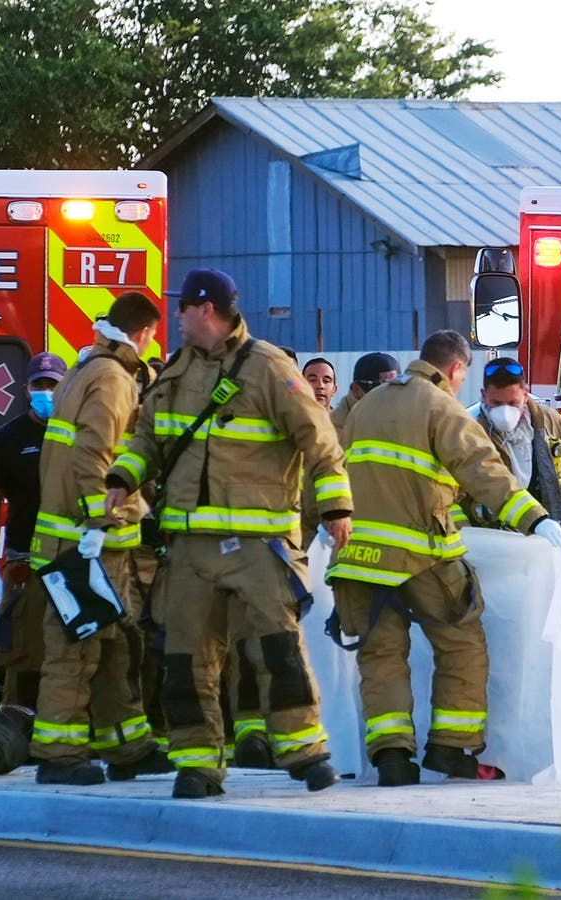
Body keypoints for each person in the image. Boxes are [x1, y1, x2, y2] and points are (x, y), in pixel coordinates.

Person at [104, 268, 351, 799]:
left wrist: (335, 507)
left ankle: (306, 752)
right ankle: (198, 765)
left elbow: (320, 440)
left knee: (277, 650)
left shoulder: (268, 367)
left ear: (206, 310)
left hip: (259, 547)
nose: (176, 318)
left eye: (183, 309)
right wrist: (123, 476)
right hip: (190, 549)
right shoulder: (174, 372)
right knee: (186, 659)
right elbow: (147, 437)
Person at [326, 330, 561, 787]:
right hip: (421, 553)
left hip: (356, 557)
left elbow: (327, 467)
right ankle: (449, 746)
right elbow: (484, 472)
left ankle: (393, 758)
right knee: (462, 641)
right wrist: (537, 520)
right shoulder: (441, 406)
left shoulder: (366, 405)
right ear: (457, 370)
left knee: (381, 656)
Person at [28, 292, 171, 785]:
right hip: (87, 544)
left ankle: (128, 745)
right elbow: (94, 457)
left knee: (115, 645)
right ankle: (57, 752)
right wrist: (99, 522)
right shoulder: (112, 378)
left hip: (85, 542)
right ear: (146, 333)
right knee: (79, 647)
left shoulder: (85, 368)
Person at [0, 351, 67, 709]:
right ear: (26, 389)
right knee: (22, 653)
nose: (46, 391)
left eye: (53, 384)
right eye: (38, 384)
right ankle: (17, 725)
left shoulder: (79, 434)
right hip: (25, 562)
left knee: (71, 651)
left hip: (71, 558)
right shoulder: (6, 439)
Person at [467, 356, 561, 525]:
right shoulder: (469, 431)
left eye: (513, 402)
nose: (505, 412)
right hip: (491, 537)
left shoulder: (552, 425)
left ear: (526, 394)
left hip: (545, 536)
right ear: (484, 396)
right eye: (496, 402)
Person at [331, 352, 400, 436]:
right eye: (381, 389)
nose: (390, 397)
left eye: (397, 387)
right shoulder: (330, 430)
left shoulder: (401, 420)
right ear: (356, 389)